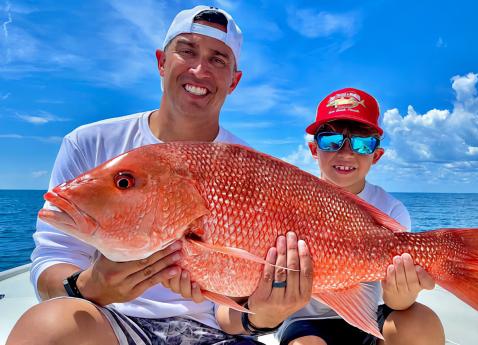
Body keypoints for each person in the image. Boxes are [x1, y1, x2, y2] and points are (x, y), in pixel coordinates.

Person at [7, 6, 312, 345]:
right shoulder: (89, 143)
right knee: (48, 326)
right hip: (112, 321)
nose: (199, 69)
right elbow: (52, 260)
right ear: (161, 62)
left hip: (213, 333)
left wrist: (265, 314)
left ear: (234, 80)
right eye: (187, 50)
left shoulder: (252, 169)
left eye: (218, 60)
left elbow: (230, 316)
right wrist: (91, 286)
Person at [275, 88, 445, 345]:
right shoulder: (289, 198)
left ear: (376, 156)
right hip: (305, 320)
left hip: (371, 314)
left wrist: (403, 292)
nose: (345, 153)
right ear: (313, 149)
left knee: (422, 323)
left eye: (362, 143)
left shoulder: (391, 209)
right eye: (330, 141)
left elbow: (396, 302)